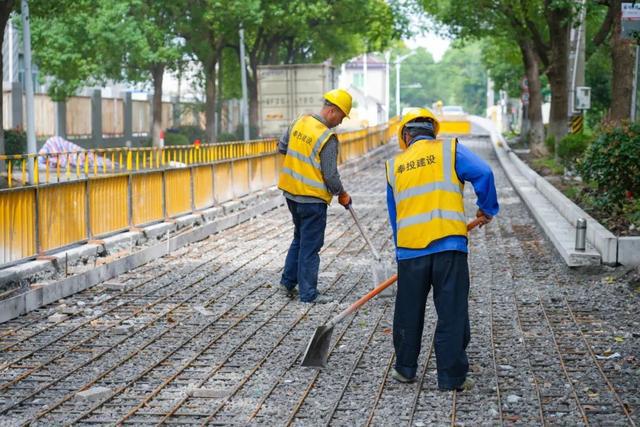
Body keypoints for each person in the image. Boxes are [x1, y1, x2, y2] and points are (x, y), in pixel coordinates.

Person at [385, 108, 499, 390]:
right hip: (449, 246)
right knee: (451, 311)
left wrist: (402, 250)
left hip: (411, 251)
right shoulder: (450, 151)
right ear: (433, 131)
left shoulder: (394, 166)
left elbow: (394, 215)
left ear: (406, 135)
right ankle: (451, 378)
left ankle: (405, 369)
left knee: (408, 312)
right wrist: (486, 208)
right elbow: (484, 172)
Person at [277, 89, 353, 304]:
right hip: (312, 200)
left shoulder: (300, 122)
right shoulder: (327, 137)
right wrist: (343, 193)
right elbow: (330, 175)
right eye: (341, 116)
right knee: (311, 246)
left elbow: (282, 147)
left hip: (291, 194)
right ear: (332, 110)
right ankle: (308, 294)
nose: (340, 122)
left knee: (299, 238)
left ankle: (287, 283)